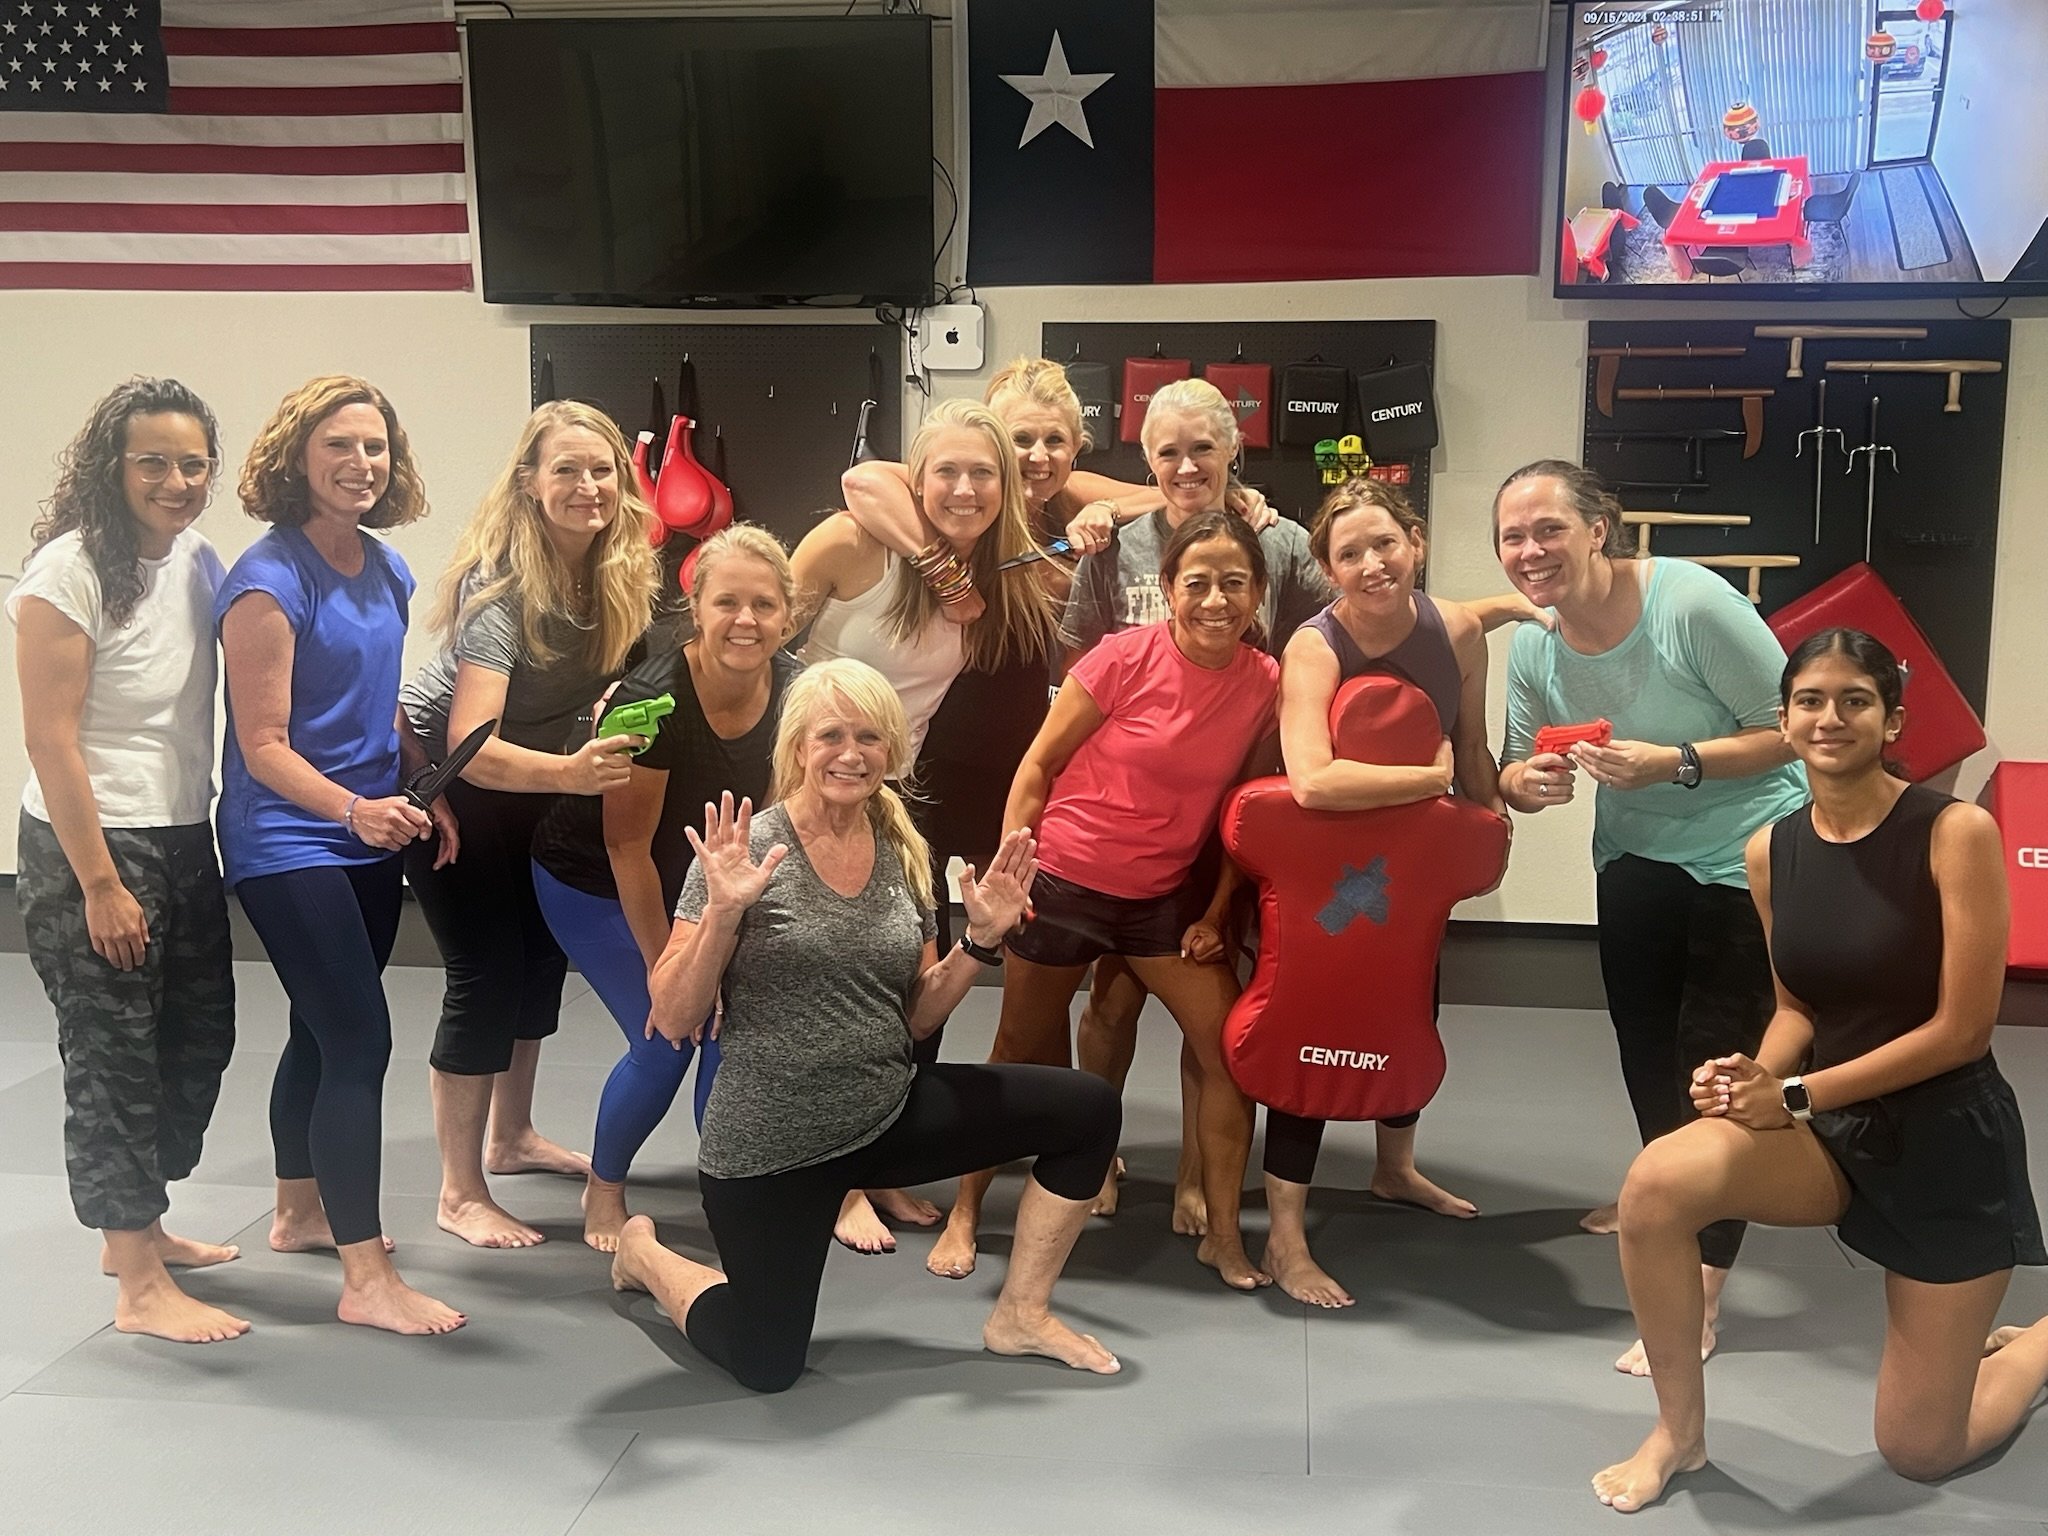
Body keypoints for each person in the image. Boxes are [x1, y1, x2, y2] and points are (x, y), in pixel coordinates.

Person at [1592, 629, 2048, 1513]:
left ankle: (2037, 1345)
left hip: (1945, 1142)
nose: (1829, 717)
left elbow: (1963, 1029)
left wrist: (1792, 1095)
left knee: (1921, 1449)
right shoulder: (1773, 850)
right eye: (1809, 700)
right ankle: (1677, 1433)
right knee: (1657, 1185)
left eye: (1854, 700)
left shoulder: (1955, 832)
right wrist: (1746, 1078)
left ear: (1892, 720)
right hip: (1836, 1132)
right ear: (1786, 717)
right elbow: (1797, 1008)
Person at [610, 658, 1122, 1393]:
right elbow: (674, 1015)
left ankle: (1021, 1316)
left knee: (1088, 1109)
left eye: (869, 737)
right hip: (773, 1146)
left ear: (893, 752)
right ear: (797, 750)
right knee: (765, 1362)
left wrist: (979, 944)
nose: (851, 754)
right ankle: (646, 1255)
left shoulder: (904, 852)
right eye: (831, 736)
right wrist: (723, 911)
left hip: (886, 1113)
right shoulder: (743, 851)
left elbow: (913, 1017)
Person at [1493, 459, 1808, 1374]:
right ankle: (1664, 1191)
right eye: (1512, 536)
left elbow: (1791, 727)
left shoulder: (1692, 604)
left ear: (1600, 528)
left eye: (1547, 528)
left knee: (1717, 1059)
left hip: (1741, 859)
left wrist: (1677, 762)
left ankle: (1702, 1290)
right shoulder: (1538, 645)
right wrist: (1531, 783)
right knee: (1643, 1044)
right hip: (1633, 859)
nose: (1530, 551)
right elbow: (1514, 767)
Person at [927, 511, 1280, 1291]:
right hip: (1064, 882)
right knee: (1018, 1048)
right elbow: (1037, 766)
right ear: (1167, 589)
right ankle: (964, 1211)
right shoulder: (1122, 657)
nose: (1216, 601)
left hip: (1156, 900)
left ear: (1258, 592)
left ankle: (1224, 1236)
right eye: (1198, 584)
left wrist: (1218, 912)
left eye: (1234, 584)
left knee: (1231, 1049)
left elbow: (1252, 806)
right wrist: (1011, 875)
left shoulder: (1265, 683)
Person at [218, 375, 463, 1334]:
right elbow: (265, 744)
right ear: (297, 459)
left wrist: (422, 781)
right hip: (288, 839)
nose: (362, 465)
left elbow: (377, 703)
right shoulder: (267, 582)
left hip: (372, 823)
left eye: (375, 448)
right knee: (361, 1038)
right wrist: (358, 810)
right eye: (340, 448)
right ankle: (367, 1282)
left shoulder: (389, 569)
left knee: (320, 1031)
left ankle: (297, 1211)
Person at [790, 396, 1063, 1252]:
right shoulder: (856, 541)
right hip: (811, 795)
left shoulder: (1001, 572)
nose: (964, 487)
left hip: (897, 806)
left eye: (983, 472)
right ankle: (831, 1182)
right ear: (917, 478)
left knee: (909, 993)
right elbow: (757, 645)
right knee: (828, 994)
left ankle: (882, 1164)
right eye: (945, 469)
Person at [11, 378, 241, 1344]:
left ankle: (135, 1223)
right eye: (153, 460)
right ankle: (136, 1279)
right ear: (113, 465)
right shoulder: (64, 574)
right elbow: (51, 742)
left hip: (187, 834)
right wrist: (100, 883)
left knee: (199, 1040)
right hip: (91, 849)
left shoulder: (197, 560)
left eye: (192, 463)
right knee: (112, 1063)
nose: (176, 480)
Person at [399, 401, 657, 1249]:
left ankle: (511, 1138)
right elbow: (472, 745)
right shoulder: (502, 589)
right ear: (529, 483)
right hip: (449, 775)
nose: (588, 487)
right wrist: (574, 774)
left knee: (542, 956)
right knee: (486, 969)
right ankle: (458, 1189)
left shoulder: (620, 572)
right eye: (567, 470)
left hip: (537, 781)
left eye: (602, 470)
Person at [1267, 479, 1508, 1307]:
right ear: (1328, 570)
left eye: (1385, 545)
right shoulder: (1315, 645)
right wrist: (1427, 777)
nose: (1372, 565)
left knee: (1410, 1011)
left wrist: (1490, 826)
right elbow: (1312, 781)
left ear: (1417, 541)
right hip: (1326, 871)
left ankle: (1394, 1169)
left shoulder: (1460, 631)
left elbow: (1471, 747)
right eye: (1350, 555)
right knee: (1317, 1025)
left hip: (1411, 868)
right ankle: (1288, 1239)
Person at [529, 524, 801, 1251]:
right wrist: (668, 971)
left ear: (789, 613)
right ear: (697, 608)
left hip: (708, 887)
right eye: (727, 603)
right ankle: (605, 1190)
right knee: (669, 1036)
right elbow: (626, 845)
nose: (746, 621)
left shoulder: (800, 689)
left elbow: (777, 818)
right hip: (597, 879)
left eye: (764, 605)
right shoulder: (653, 701)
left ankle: (733, 1193)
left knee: (731, 1041)